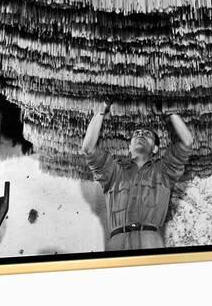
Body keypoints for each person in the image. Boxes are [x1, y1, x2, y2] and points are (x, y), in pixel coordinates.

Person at [81, 100, 193, 251]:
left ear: (155, 148)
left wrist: (170, 112)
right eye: (136, 134)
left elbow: (187, 142)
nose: (140, 134)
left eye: (147, 134)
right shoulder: (114, 172)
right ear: (129, 147)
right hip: (117, 239)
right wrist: (102, 108)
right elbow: (88, 149)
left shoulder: (164, 171)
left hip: (150, 239)